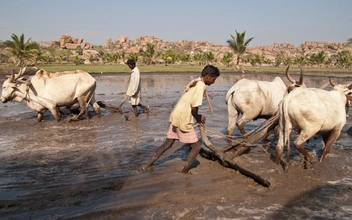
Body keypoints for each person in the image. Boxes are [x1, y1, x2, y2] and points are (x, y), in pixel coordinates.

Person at [140, 65, 220, 174]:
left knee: (167, 144)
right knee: (196, 148)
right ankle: (184, 172)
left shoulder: (195, 81)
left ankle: (147, 165)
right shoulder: (201, 85)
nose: (213, 82)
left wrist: (197, 116)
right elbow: (194, 108)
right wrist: (198, 117)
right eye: (213, 79)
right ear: (208, 76)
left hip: (176, 115)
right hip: (183, 118)